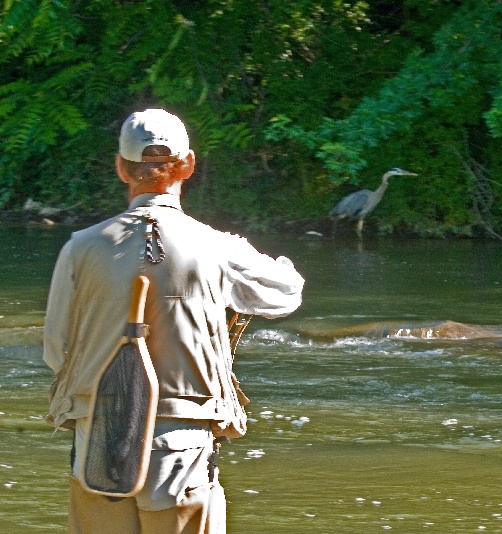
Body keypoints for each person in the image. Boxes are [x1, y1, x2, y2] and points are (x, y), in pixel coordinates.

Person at [43, 108, 305, 533]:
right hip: (183, 448)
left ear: (120, 168)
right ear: (188, 165)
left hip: (98, 443)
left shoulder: (79, 247)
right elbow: (285, 294)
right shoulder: (218, 247)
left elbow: (58, 352)